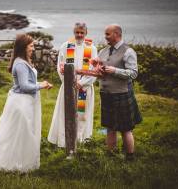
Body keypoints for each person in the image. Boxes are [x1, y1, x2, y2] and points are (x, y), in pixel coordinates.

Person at [78, 24, 142, 160]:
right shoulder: (103, 51)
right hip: (106, 94)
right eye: (105, 34)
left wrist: (115, 70)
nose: (105, 37)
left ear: (117, 34)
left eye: (108, 34)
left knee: (125, 129)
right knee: (110, 127)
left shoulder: (128, 51)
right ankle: (110, 156)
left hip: (122, 94)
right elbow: (100, 73)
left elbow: (134, 73)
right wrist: (96, 67)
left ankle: (130, 157)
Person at [0, 34, 52, 172]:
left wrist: (40, 84)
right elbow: (24, 86)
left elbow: (28, 83)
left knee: (25, 133)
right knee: (20, 134)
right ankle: (15, 165)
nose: (33, 48)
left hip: (25, 101)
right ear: (23, 47)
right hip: (21, 103)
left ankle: (23, 162)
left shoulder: (23, 61)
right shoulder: (20, 64)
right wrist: (41, 85)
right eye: (31, 46)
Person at [47, 22, 98, 147]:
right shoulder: (66, 46)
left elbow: (94, 70)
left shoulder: (92, 49)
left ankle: (81, 140)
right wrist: (69, 82)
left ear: (86, 33)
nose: (79, 35)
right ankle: (64, 141)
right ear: (73, 32)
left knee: (83, 115)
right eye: (77, 32)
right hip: (68, 88)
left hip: (84, 88)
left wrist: (81, 82)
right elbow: (60, 66)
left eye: (82, 32)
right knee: (66, 114)